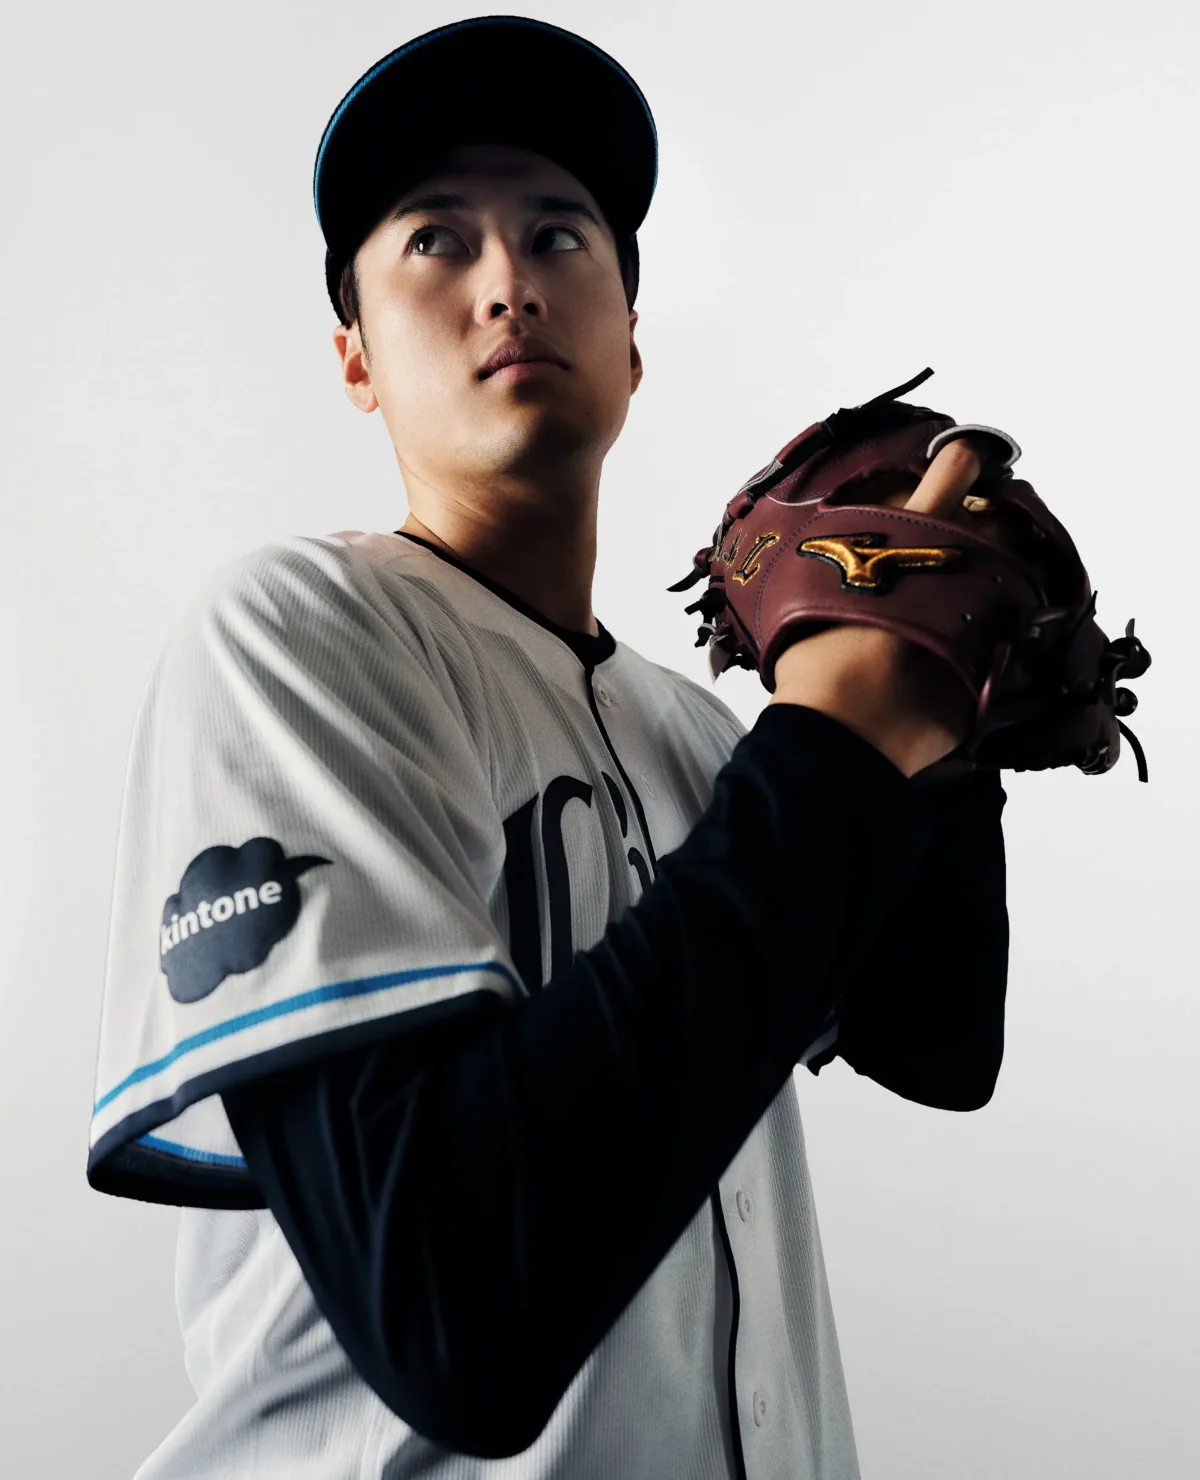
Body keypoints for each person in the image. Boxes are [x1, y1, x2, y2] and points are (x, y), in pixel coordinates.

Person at [87, 16, 1008, 1478]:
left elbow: (938, 1043)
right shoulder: (294, 635)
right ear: (355, 358)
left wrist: (946, 728)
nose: (508, 281)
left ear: (631, 346)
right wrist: (834, 740)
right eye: (436, 241)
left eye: (560, 235)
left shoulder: (699, 731)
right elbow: (454, 1314)